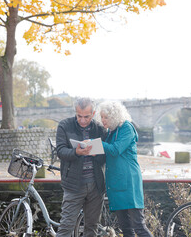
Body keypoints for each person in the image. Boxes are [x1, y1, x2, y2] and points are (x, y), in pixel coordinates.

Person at [96, 101, 153, 237]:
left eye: (106, 117)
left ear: (115, 116)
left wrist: (97, 143)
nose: (103, 120)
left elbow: (115, 150)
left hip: (129, 182)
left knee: (139, 226)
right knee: (125, 228)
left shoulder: (127, 128)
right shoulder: (111, 131)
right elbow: (108, 152)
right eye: (102, 117)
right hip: (116, 183)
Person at [56, 97, 107, 237]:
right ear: (75, 112)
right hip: (73, 185)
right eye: (79, 116)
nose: (83, 120)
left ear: (93, 113)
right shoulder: (64, 126)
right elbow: (60, 151)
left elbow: (106, 157)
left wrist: (97, 154)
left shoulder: (100, 129)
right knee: (66, 227)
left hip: (96, 185)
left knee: (92, 228)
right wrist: (76, 152)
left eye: (87, 116)